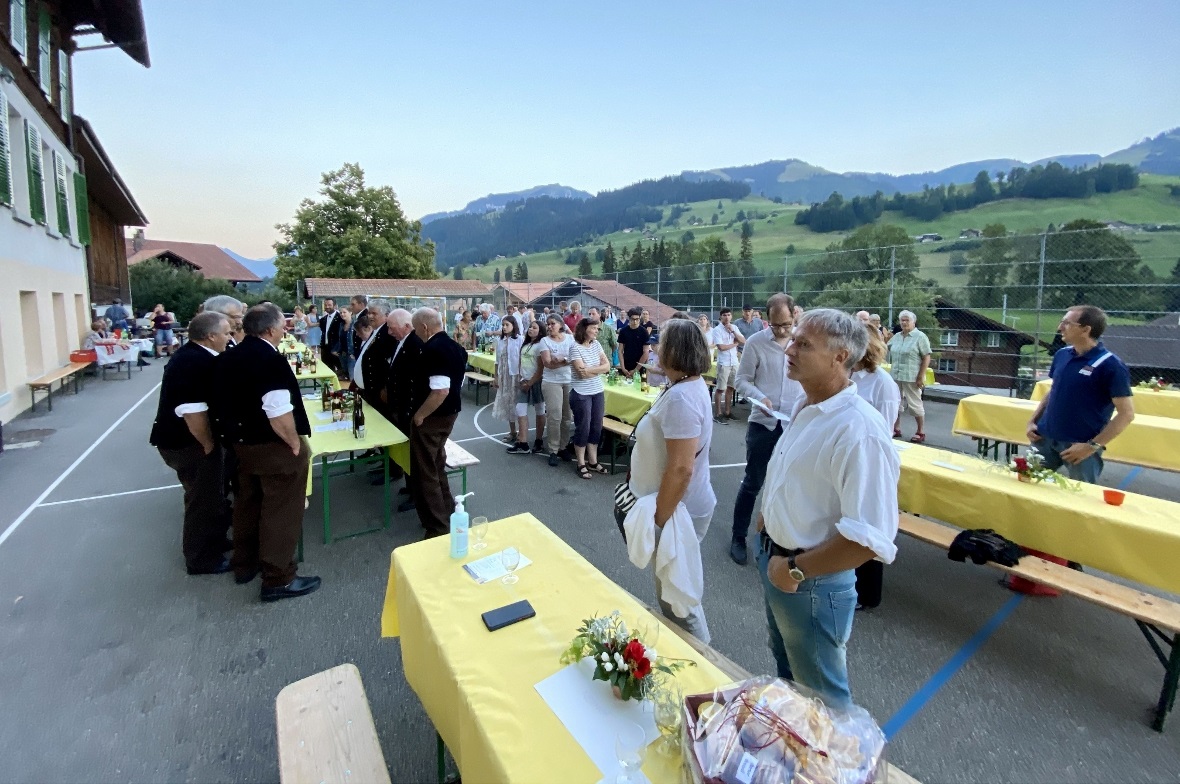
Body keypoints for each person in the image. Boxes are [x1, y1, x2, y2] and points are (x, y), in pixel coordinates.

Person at [756, 308, 899, 709]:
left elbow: (871, 538)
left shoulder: (859, 430)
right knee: (791, 678)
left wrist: (795, 570)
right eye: (793, 339)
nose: (790, 349)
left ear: (840, 357)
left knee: (824, 703)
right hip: (779, 560)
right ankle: (793, 753)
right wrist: (766, 520)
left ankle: (828, 767)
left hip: (810, 580)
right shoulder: (808, 405)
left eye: (804, 344)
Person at [211, 303, 320, 601]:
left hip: (241, 445)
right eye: (282, 327)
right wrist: (295, 444)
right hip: (272, 446)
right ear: (271, 330)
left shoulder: (227, 357)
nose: (285, 330)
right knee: (282, 511)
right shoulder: (270, 360)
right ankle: (278, 578)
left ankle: (244, 563)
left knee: (248, 503)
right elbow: (278, 412)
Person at [621, 318, 715, 642]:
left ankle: (704, 667)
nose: (656, 347)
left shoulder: (682, 397)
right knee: (676, 589)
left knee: (678, 599)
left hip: (677, 510)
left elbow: (681, 469)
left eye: (661, 341)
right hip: (679, 507)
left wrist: (659, 520)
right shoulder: (684, 387)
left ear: (675, 350)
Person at [150, 311, 235, 575]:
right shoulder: (194, 363)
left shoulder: (195, 356)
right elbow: (193, 413)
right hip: (188, 444)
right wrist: (209, 446)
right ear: (211, 336)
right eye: (226, 333)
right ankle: (200, 558)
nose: (229, 338)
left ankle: (216, 541)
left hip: (186, 441)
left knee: (214, 495)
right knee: (202, 500)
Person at [729, 294, 802, 566]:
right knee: (753, 483)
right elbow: (742, 380)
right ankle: (738, 537)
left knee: (789, 486)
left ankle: (781, 541)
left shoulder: (803, 342)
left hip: (795, 423)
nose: (781, 330)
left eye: (785, 324)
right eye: (775, 325)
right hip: (764, 422)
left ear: (794, 315)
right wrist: (761, 398)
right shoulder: (757, 343)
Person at [1026, 305, 1134, 483]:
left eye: (1067, 323)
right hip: (1044, 439)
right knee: (1025, 484)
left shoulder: (1111, 365)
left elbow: (1127, 414)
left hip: (1080, 447)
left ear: (1086, 329)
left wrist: (1091, 447)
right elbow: (1054, 390)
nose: (1060, 327)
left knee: (1081, 499)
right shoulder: (1062, 354)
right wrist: (1033, 421)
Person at [850, 324, 901, 610]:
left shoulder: (882, 383)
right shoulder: (849, 375)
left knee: (867, 523)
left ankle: (868, 595)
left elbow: (884, 428)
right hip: (849, 457)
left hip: (869, 460)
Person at [406, 308, 467, 538]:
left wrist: (420, 415)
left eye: (415, 329)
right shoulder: (455, 347)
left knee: (426, 472)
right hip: (448, 414)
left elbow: (440, 390)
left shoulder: (433, 349)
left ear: (423, 327)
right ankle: (449, 511)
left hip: (433, 417)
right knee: (436, 464)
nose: (415, 334)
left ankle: (437, 527)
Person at [384, 309, 423, 509]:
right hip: (400, 406)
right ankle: (410, 486)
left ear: (407, 326)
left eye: (392, 328)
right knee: (405, 450)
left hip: (408, 407)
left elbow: (415, 380)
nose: (389, 332)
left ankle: (417, 494)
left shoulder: (415, 344)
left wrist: (408, 408)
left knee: (412, 453)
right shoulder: (403, 341)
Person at [569, 317, 610, 478]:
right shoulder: (574, 347)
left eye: (597, 328)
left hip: (597, 391)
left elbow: (607, 367)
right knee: (583, 427)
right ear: (584, 329)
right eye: (593, 328)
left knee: (596, 427)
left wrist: (591, 369)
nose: (596, 331)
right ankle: (581, 463)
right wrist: (599, 369)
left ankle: (593, 461)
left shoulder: (597, 345)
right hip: (581, 393)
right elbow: (581, 374)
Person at [886, 310, 932, 442]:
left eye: (907, 320)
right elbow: (887, 347)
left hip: (912, 376)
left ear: (913, 321)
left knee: (915, 404)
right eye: (902, 320)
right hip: (896, 374)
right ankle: (896, 428)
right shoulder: (897, 336)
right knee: (895, 402)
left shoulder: (920, 337)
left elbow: (926, 357)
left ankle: (920, 431)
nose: (904, 322)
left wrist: (920, 376)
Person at [539, 314, 576, 466]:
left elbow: (575, 357)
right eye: (547, 324)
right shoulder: (544, 341)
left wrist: (562, 359)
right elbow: (548, 363)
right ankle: (553, 449)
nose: (549, 326)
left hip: (568, 381)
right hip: (551, 382)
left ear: (561, 324)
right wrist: (566, 360)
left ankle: (563, 446)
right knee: (555, 416)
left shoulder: (570, 339)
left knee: (567, 417)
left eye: (552, 323)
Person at [508, 319, 547, 455]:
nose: (531, 329)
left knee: (540, 409)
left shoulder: (540, 346)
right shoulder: (526, 344)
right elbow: (521, 362)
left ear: (541, 331)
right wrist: (520, 378)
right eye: (530, 327)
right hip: (524, 381)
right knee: (520, 408)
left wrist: (530, 383)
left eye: (535, 328)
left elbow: (540, 369)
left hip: (536, 382)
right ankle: (523, 442)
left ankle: (539, 440)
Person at [352, 299, 395, 411]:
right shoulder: (377, 331)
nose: (370, 316)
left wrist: (385, 389)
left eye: (374, 313)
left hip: (378, 394)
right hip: (369, 392)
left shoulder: (388, 334)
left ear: (386, 315)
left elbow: (391, 366)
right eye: (369, 313)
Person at [492, 316, 524, 445]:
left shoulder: (519, 340)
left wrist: (522, 376)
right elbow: (497, 360)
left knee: (518, 404)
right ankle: (512, 431)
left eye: (507, 325)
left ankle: (522, 433)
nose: (504, 327)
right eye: (503, 325)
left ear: (513, 326)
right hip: (505, 375)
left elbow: (522, 359)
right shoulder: (500, 341)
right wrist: (496, 377)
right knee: (508, 403)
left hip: (516, 375)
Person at [709, 308, 745, 423]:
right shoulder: (717, 330)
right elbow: (721, 347)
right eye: (724, 315)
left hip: (734, 361)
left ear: (731, 316)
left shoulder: (734, 327)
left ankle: (728, 411)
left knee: (731, 387)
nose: (727, 317)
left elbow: (743, 341)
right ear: (721, 317)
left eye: (729, 315)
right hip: (724, 363)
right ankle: (718, 413)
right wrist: (734, 344)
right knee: (720, 388)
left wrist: (733, 332)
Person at [617, 307, 650, 378]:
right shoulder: (623, 331)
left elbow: (646, 352)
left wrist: (636, 370)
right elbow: (620, 350)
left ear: (639, 318)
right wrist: (622, 367)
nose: (635, 322)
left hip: (640, 366)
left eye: (637, 319)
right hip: (626, 365)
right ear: (629, 319)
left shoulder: (644, 332)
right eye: (633, 319)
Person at [343, 294, 369, 380]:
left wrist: (355, 352)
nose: (351, 307)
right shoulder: (356, 317)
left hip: (360, 354)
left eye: (353, 304)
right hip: (355, 353)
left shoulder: (365, 317)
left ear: (361, 304)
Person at [319, 298, 346, 373]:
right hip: (325, 348)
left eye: (329, 305)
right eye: (325, 305)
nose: (327, 307)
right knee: (326, 370)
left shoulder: (341, 318)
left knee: (340, 372)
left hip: (336, 349)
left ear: (335, 306)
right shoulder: (323, 320)